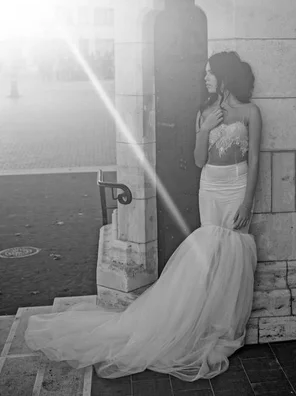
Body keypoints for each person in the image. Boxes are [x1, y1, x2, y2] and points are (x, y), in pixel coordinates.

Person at [24, 50, 262, 382]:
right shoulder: (204, 112)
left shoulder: (251, 112)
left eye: (210, 73)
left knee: (233, 252)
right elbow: (197, 160)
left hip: (237, 187)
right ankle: (197, 321)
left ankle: (221, 325)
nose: (205, 78)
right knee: (210, 252)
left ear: (223, 76)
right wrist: (205, 128)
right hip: (210, 187)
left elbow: (255, 161)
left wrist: (248, 201)